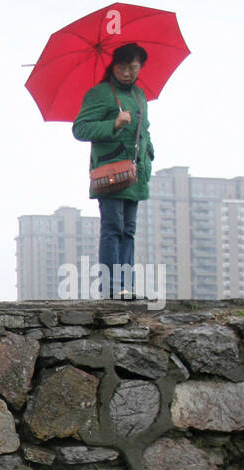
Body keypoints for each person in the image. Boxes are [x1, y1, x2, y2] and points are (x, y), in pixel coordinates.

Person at [72, 43, 155, 299]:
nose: (127, 72)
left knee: (128, 230)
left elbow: (144, 129)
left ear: (140, 67)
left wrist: (150, 151)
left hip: (135, 173)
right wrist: (113, 123)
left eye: (132, 67)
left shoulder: (140, 95)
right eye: (122, 66)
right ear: (113, 66)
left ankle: (126, 286)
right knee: (113, 228)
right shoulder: (100, 94)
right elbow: (80, 129)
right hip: (110, 171)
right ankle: (110, 288)